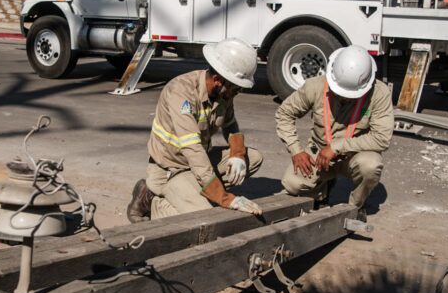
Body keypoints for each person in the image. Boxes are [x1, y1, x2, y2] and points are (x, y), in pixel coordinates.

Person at [126, 38, 264, 222]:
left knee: (253, 158)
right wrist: (224, 199)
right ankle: (151, 201)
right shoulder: (181, 93)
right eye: (235, 89)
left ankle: (199, 190)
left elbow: (230, 124)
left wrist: (237, 154)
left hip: (198, 163)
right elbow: (193, 149)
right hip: (172, 169)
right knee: (204, 217)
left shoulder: (222, 92)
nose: (235, 94)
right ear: (217, 80)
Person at [275, 45, 394, 218]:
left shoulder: (379, 93)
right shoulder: (314, 86)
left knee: (371, 166)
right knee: (292, 184)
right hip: (319, 154)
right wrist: (296, 150)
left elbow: (382, 138)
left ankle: (355, 207)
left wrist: (338, 146)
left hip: (353, 155)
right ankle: (322, 190)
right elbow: (284, 114)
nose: (344, 97)